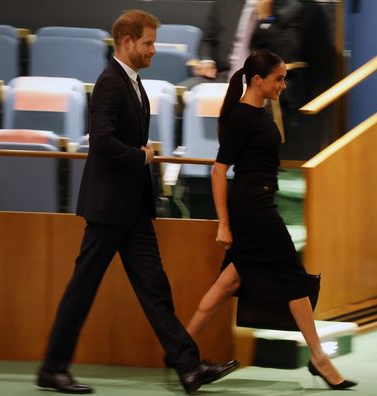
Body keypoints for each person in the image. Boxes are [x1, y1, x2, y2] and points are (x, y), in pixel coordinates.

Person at [36, 9, 238, 395]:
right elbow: (101, 140)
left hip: (131, 209)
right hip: (110, 208)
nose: (153, 49)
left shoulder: (132, 82)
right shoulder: (111, 82)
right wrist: (140, 157)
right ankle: (52, 368)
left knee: (154, 290)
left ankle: (189, 367)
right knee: (83, 288)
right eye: (148, 42)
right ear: (127, 42)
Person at [185, 50, 357, 390]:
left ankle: (179, 349)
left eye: (284, 77)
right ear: (258, 80)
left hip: (257, 203)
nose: (284, 84)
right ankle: (319, 358)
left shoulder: (258, 111)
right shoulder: (242, 116)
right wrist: (223, 223)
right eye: (278, 78)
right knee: (293, 278)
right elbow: (219, 173)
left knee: (228, 283)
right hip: (255, 209)